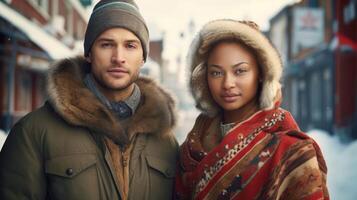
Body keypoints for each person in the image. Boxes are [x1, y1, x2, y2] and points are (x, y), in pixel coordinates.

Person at [0, 0, 178, 199]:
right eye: (106, 44)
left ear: (143, 57)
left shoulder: (165, 140)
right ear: (89, 54)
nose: (118, 57)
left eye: (130, 45)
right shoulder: (34, 132)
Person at [175, 19, 329, 200]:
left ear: (262, 74)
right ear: (203, 78)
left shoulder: (291, 151)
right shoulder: (190, 149)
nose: (227, 84)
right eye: (216, 72)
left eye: (240, 71)